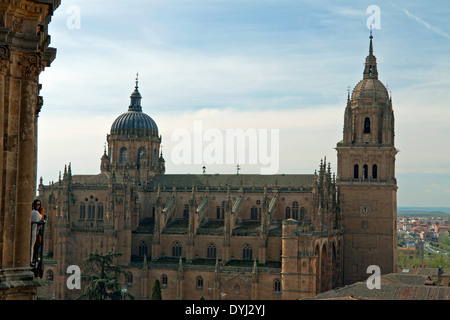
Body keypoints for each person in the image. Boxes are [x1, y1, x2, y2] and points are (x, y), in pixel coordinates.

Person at [30, 199, 43, 266]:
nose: (38, 206)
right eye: (36, 204)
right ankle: (31, 260)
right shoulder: (36, 213)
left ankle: (32, 259)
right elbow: (41, 217)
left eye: (39, 204)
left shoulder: (32, 212)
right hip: (34, 229)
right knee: (32, 245)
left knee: (32, 245)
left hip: (33, 228)